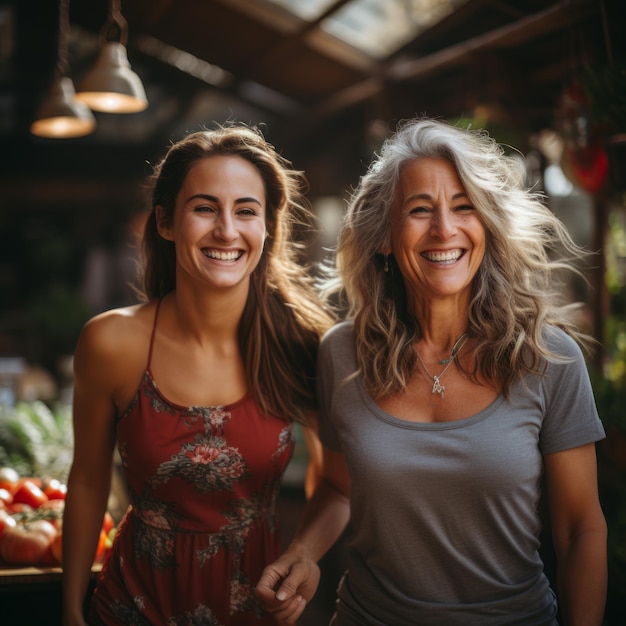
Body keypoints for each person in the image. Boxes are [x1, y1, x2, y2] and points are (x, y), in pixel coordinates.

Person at [256, 117, 608, 625]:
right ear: (383, 236)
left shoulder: (548, 358)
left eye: (464, 207)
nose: (445, 228)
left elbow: (580, 531)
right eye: (420, 209)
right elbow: (336, 488)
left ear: (486, 226)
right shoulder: (342, 354)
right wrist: (305, 552)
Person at [61, 123, 333, 626]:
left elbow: (337, 482)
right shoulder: (110, 343)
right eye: (204, 207)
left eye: (246, 210)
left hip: (253, 610)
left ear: (268, 226)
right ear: (165, 222)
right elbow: (88, 479)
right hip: (129, 606)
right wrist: (70, 608)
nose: (227, 230)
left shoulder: (299, 344)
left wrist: (304, 554)